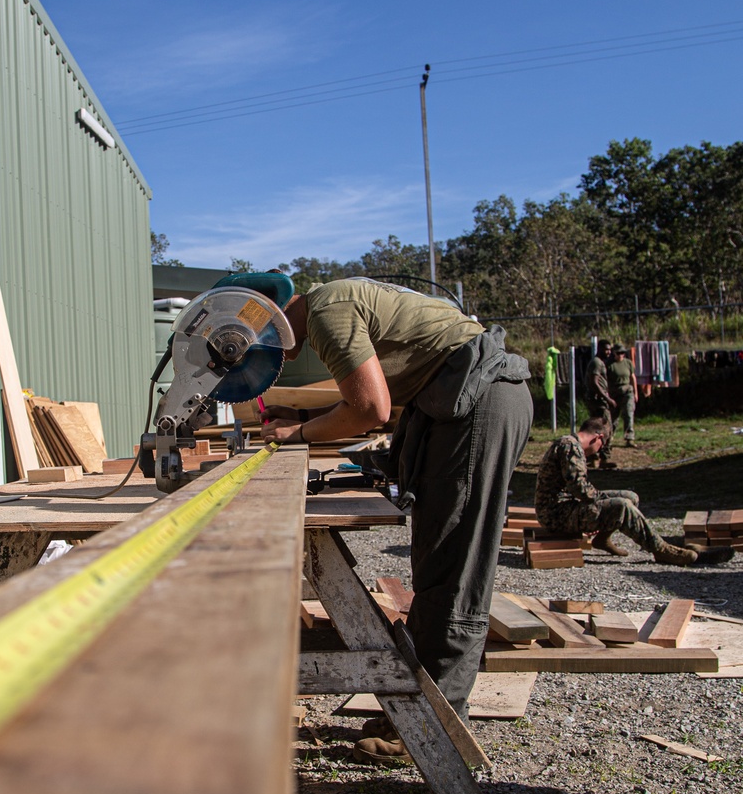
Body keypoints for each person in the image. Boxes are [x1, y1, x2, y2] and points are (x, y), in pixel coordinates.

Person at [251, 275, 533, 727]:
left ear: (272, 316)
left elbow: (370, 409)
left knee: (453, 566)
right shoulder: (332, 302)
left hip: (479, 400)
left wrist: (297, 433)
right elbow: (365, 396)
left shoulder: (327, 313)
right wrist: (301, 417)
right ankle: (420, 707)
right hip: (459, 400)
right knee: (435, 561)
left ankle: (435, 725)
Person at [535, 417, 727, 563]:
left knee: (630, 497)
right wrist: (603, 504)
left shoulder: (569, 444)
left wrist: (601, 504)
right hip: (556, 515)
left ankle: (602, 539)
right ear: (598, 438)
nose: (599, 451)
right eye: (602, 446)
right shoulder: (570, 447)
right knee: (621, 506)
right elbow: (581, 490)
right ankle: (662, 550)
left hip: (564, 508)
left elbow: (582, 492)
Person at [584, 341, 617, 469]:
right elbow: (594, 382)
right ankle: (602, 458)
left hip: (598, 400)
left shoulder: (600, 362)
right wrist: (607, 398)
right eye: (606, 349)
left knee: (597, 430)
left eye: (610, 350)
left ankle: (595, 458)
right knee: (606, 428)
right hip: (599, 402)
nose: (608, 352)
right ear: (600, 349)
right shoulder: (597, 362)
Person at [608, 344, 638, 447]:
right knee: (613, 417)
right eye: (618, 353)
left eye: (622, 353)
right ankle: (609, 437)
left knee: (628, 414)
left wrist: (635, 393)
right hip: (615, 392)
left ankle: (629, 438)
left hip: (627, 391)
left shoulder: (628, 363)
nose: (621, 355)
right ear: (614, 353)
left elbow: (632, 377)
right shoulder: (610, 365)